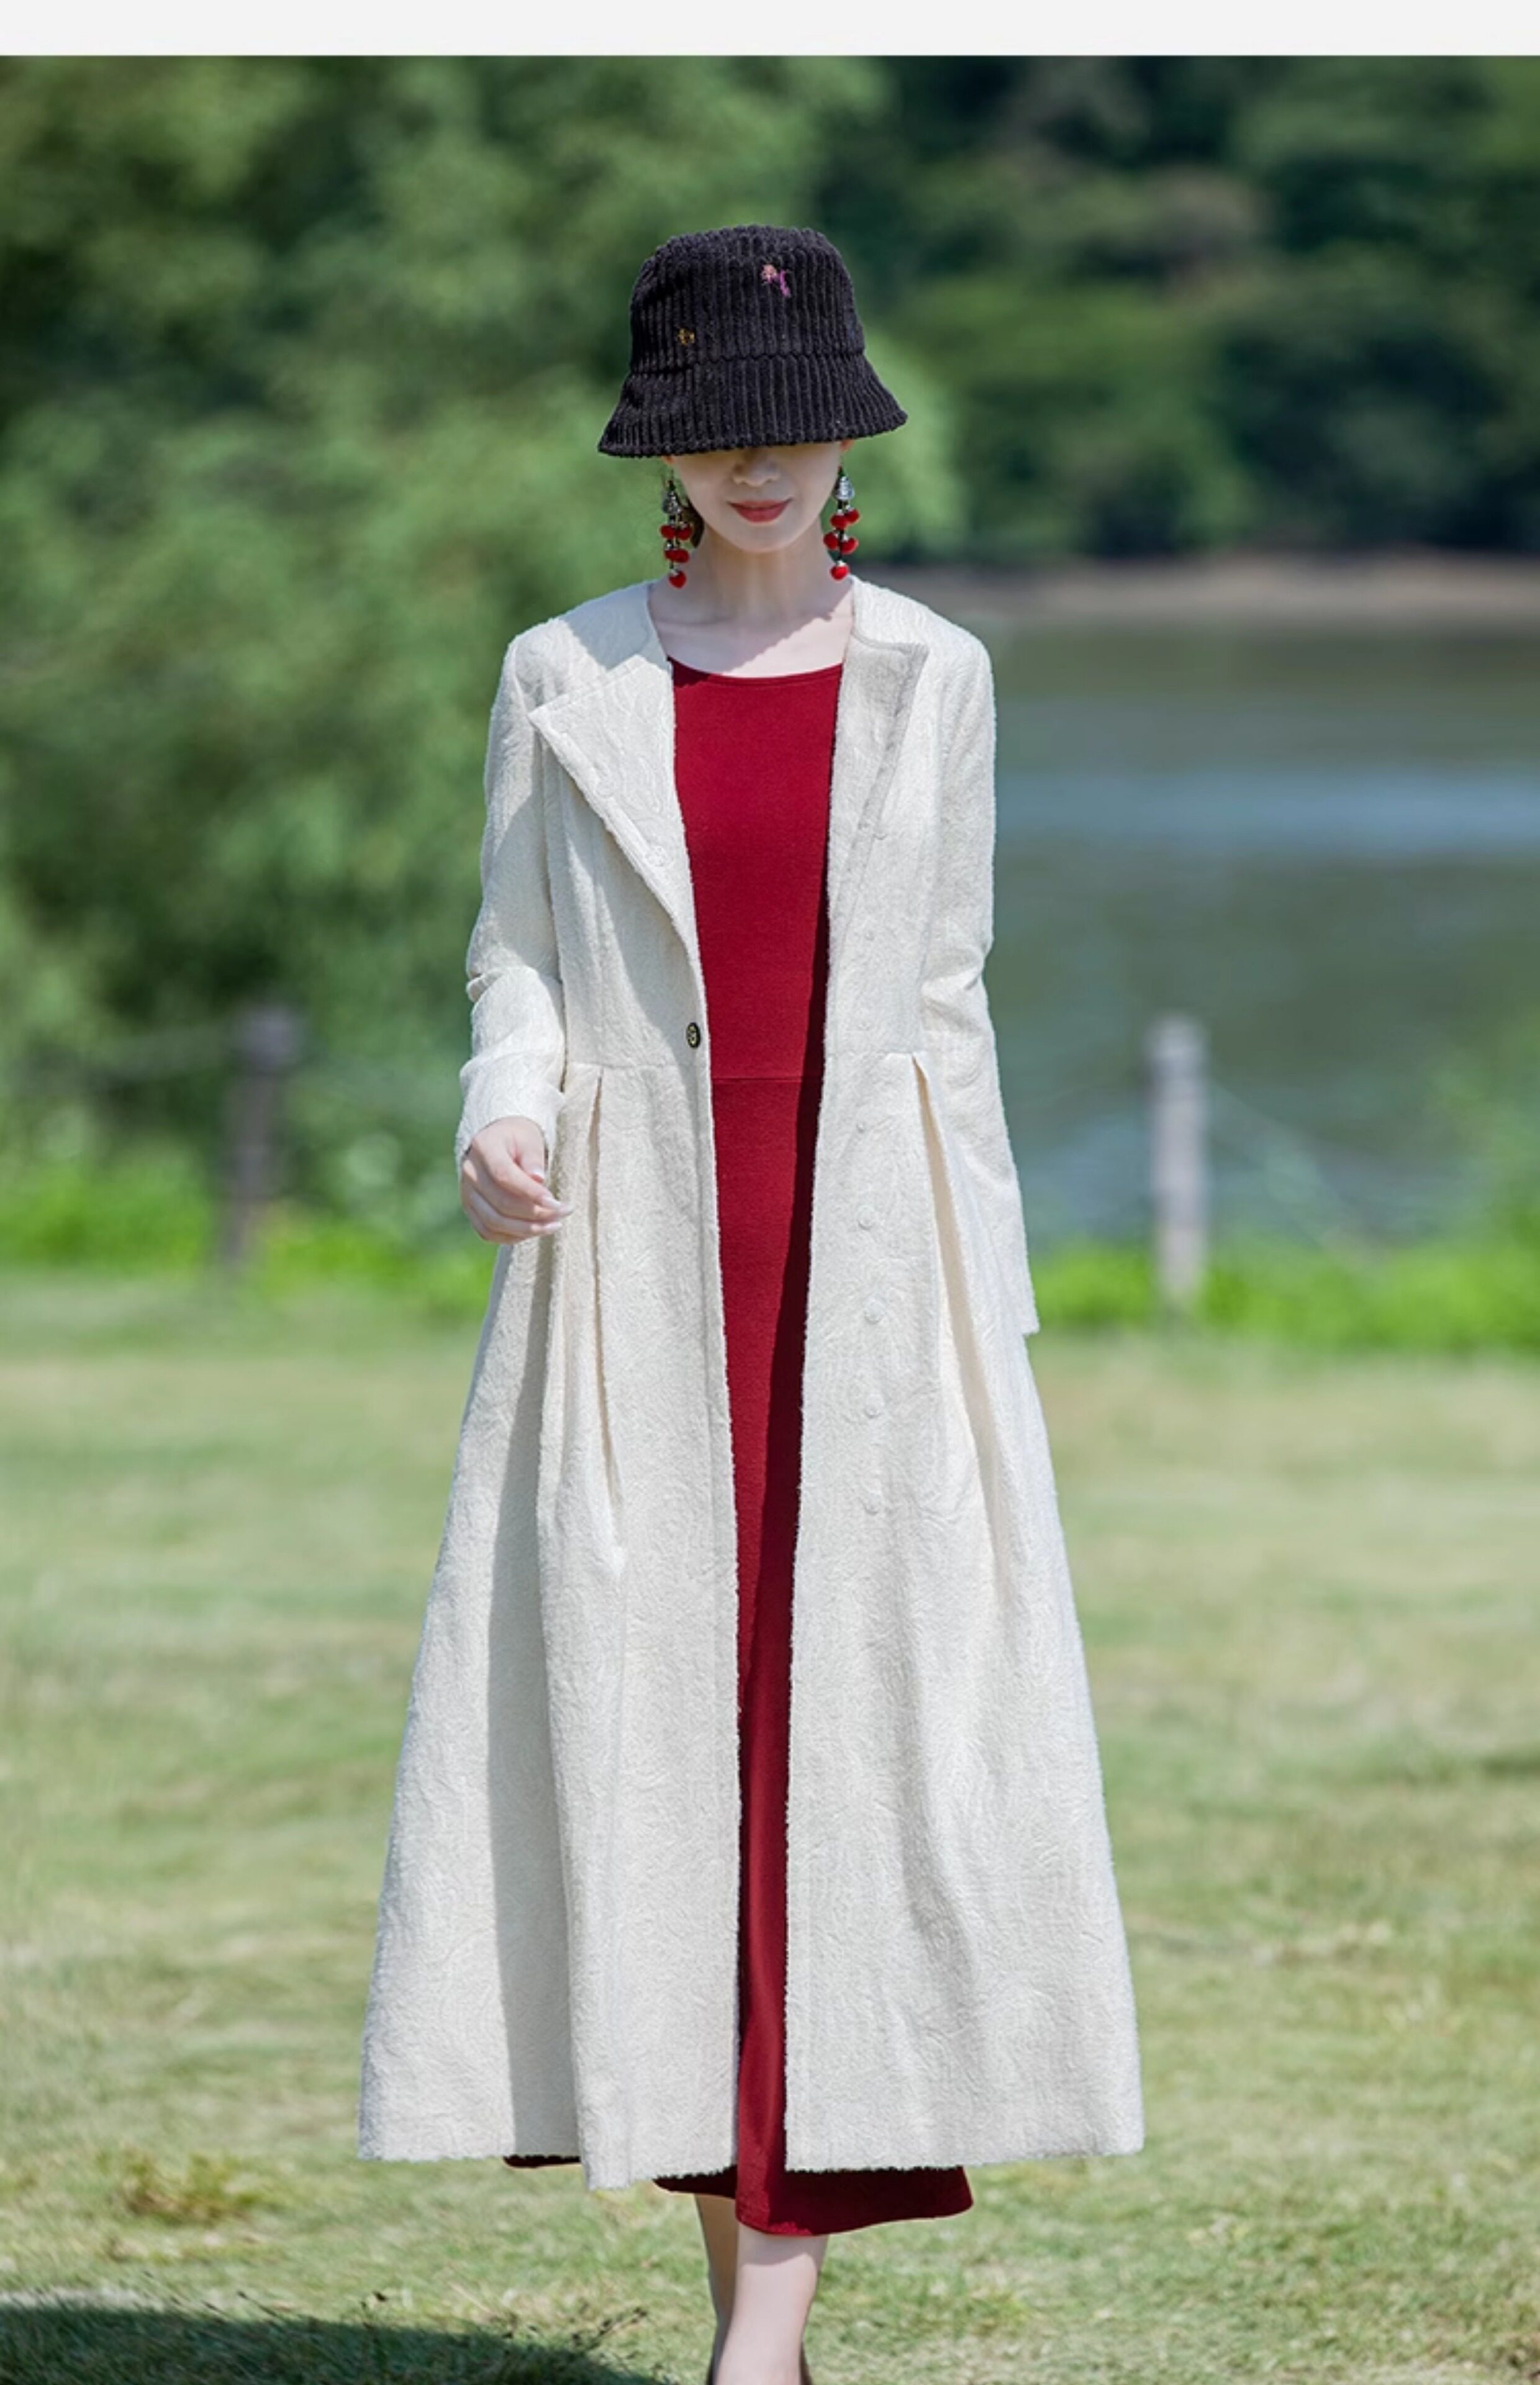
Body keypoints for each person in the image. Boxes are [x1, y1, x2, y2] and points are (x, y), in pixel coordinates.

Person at [358, 225, 1143, 2385]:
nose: (762, 466)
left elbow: (951, 998)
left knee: (844, 1774)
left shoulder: (938, 675)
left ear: (852, 436)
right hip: (635, 1270)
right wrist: (501, 1106)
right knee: (667, 1775)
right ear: (661, 454)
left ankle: (760, 2337)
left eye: (796, 427)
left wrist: (985, 1309)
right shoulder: (564, 671)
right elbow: (516, 955)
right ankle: (755, 2332)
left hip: (864, 1279)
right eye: (719, 434)